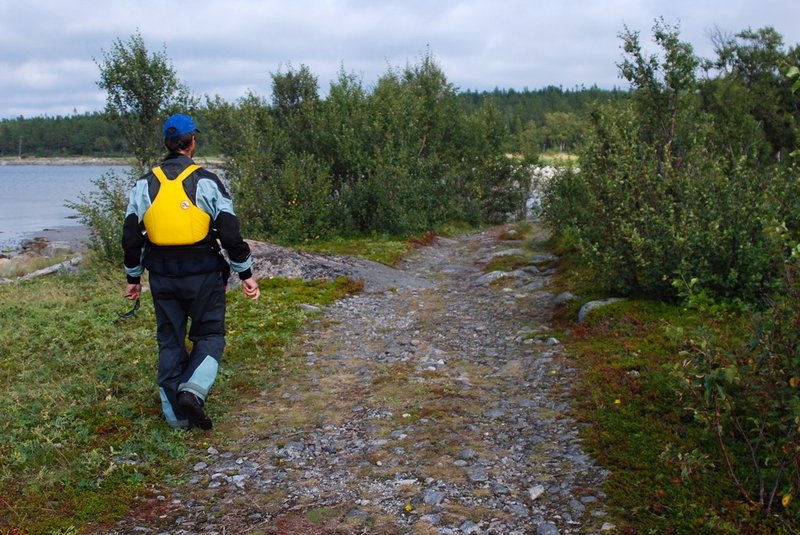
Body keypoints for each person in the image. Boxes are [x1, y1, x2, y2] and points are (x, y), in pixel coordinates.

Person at [122, 113, 260, 430]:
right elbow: (230, 234)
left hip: (162, 276)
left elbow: (131, 238)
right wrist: (246, 274)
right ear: (192, 141)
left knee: (170, 342)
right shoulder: (207, 181)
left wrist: (133, 278)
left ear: (167, 143)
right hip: (205, 275)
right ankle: (192, 393)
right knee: (210, 335)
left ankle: (177, 421)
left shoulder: (144, 184)